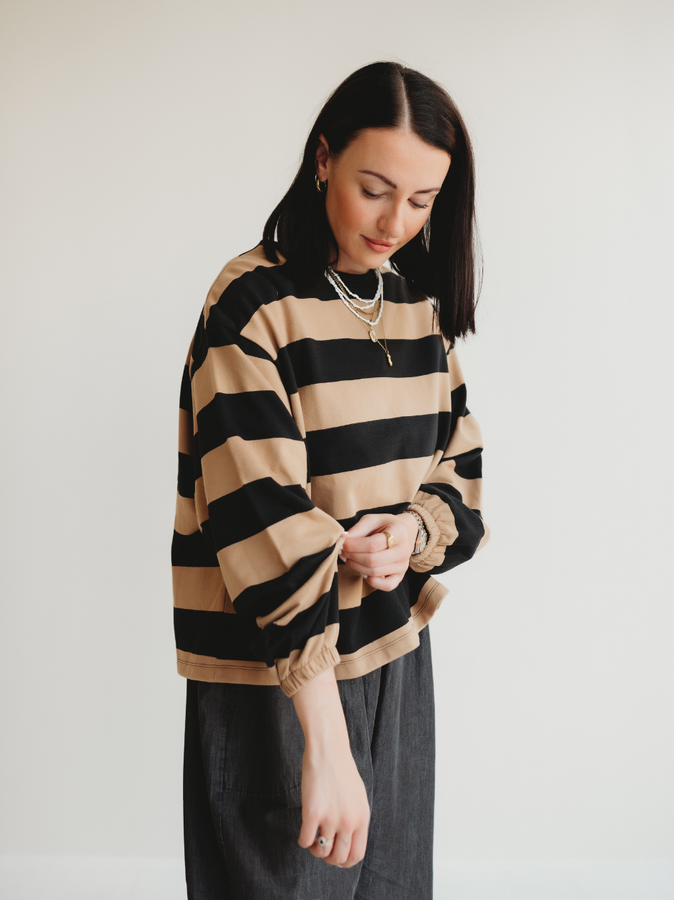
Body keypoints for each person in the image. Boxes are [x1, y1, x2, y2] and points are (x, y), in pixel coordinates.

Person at [172, 60, 489, 900]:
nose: (397, 221)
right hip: (278, 676)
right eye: (376, 188)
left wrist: (411, 532)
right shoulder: (252, 305)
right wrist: (325, 738)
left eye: (422, 201)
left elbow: (460, 469)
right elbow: (257, 518)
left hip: (393, 658)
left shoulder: (417, 305)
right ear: (322, 160)